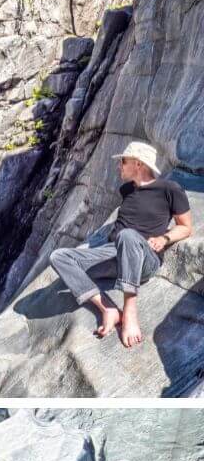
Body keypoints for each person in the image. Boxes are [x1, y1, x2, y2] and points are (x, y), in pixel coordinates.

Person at [48, 140, 193, 348]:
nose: (119, 166)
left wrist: (164, 238)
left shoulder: (170, 189)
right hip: (112, 253)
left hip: (143, 257)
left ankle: (130, 309)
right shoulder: (126, 190)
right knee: (59, 256)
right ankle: (108, 308)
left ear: (138, 164)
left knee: (128, 235)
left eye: (123, 162)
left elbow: (186, 227)